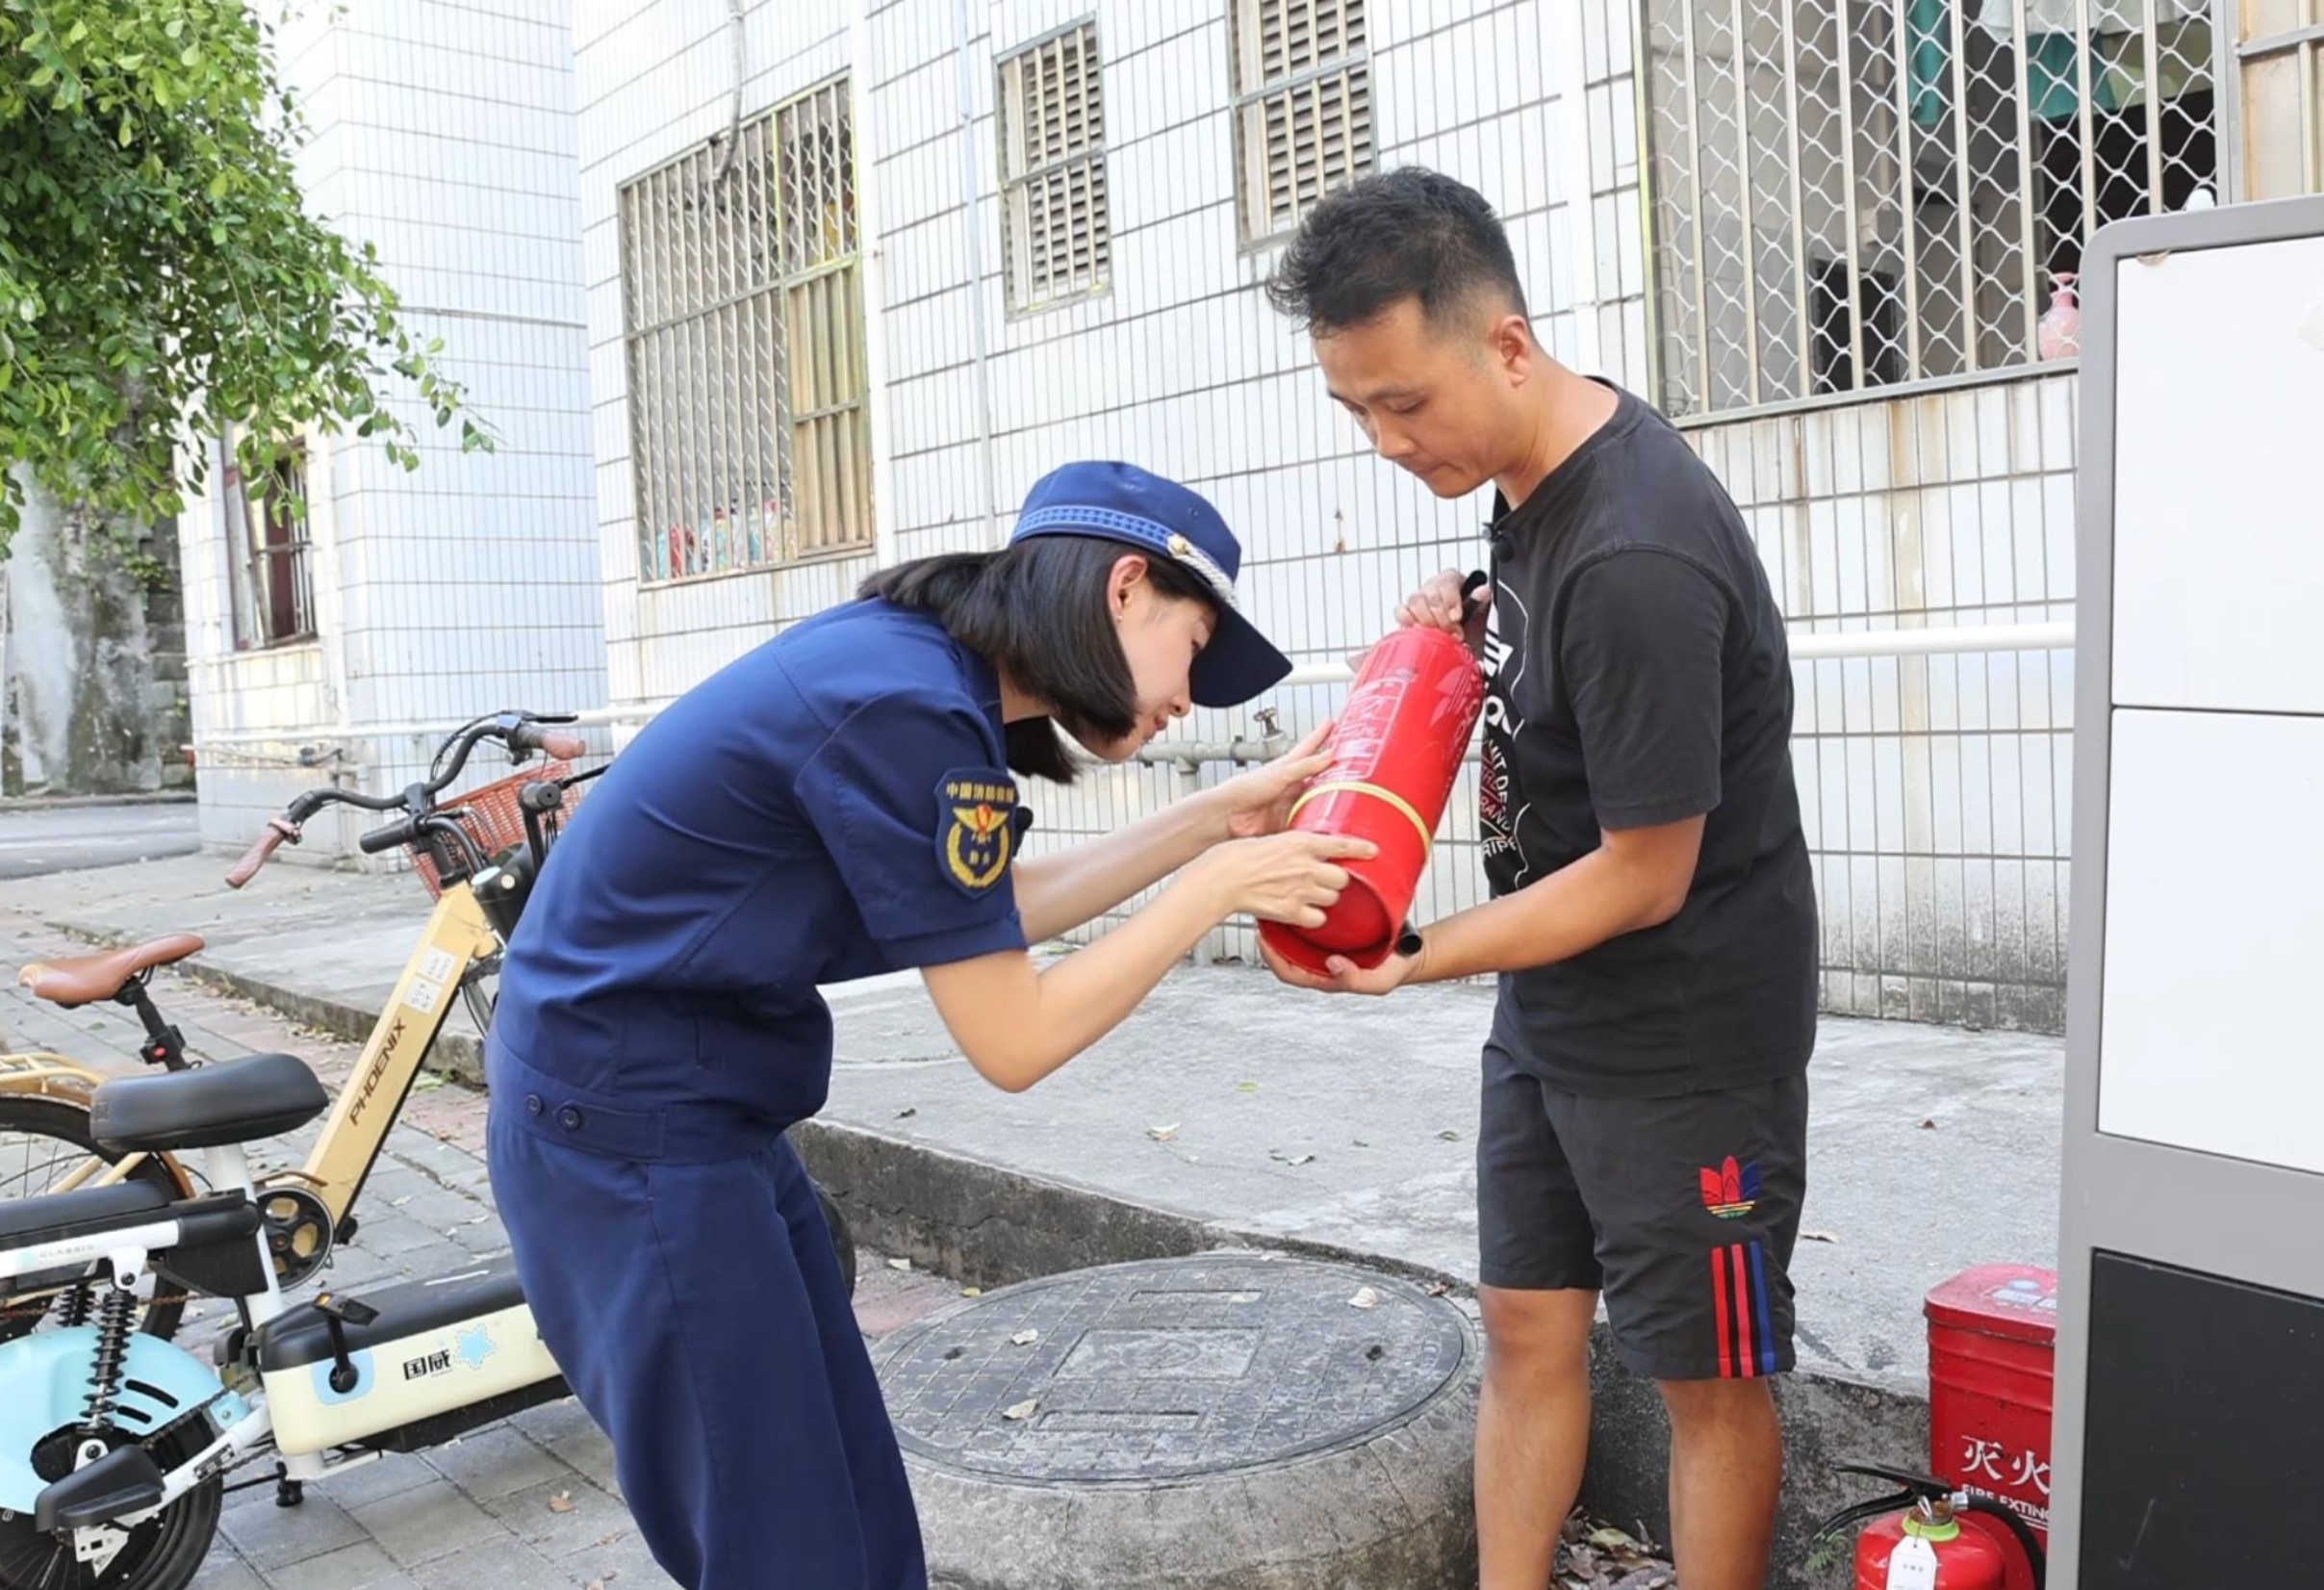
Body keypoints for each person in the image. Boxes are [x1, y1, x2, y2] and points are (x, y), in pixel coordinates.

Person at [483, 460, 1370, 1590]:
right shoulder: (909, 705)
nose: (1190, 698)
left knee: (853, 1510)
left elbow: (980, 919)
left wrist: (1207, 825)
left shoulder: (914, 670)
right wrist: (1216, 889)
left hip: (696, 1115)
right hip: (629, 1138)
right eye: (1194, 650)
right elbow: (1015, 1038)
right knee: (783, 1549)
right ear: (1125, 587)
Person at [1261, 167, 1818, 1590]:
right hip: (1552, 1006)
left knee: (1704, 1381)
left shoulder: (1633, 549)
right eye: (1356, 411)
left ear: (1505, 346)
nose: (1386, 441)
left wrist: (1417, 951)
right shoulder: (1526, 480)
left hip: (1683, 1031)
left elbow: (1642, 874)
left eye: (1404, 404)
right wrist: (1445, 637)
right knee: (1523, 1327)